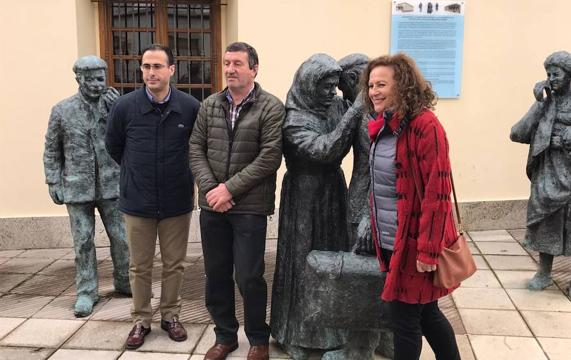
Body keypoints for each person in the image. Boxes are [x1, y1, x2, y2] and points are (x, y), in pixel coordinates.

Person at [189, 42, 284, 360]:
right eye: (226, 62)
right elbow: (195, 149)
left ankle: (258, 339)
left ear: (254, 69)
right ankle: (225, 336)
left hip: (250, 208)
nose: (229, 68)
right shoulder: (210, 105)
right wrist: (211, 189)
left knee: (249, 275)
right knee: (216, 274)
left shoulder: (270, 107)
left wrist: (228, 190)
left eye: (237, 63)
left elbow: (269, 156)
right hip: (212, 206)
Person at [363, 53, 460, 360]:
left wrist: (429, 250)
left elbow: (438, 192)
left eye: (381, 84)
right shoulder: (387, 125)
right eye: (370, 85)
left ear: (402, 85)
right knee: (427, 312)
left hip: (415, 242)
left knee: (403, 320)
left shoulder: (424, 126)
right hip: (392, 239)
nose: (374, 91)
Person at [105, 44, 200, 349]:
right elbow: (114, 147)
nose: (151, 73)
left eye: (157, 66)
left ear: (172, 70)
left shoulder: (189, 107)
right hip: (137, 200)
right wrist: (136, 172)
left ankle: (171, 315)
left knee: (175, 264)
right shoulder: (124, 106)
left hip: (176, 199)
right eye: (146, 67)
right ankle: (141, 319)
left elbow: (197, 149)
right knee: (139, 265)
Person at [270, 54, 362, 359]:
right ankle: (295, 332)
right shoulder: (294, 119)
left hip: (333, 190)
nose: (332, 92)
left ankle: (334, 329)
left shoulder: (337, 106)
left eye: (335, 86)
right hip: (304, 196)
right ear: (310, 84)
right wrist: (356, 110)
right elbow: (324, 149)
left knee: (334, 259)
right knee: (303, 261)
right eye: (326, 86)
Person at [43, 55, 130, 318]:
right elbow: (51, 149)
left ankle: (125, 280)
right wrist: (53, 181)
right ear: (79, 79)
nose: (96, 84)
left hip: (111, 184)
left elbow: (130, 139)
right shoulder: (62, 110)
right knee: (82, 241)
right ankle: (86, 291)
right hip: (77, 186)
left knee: (122, 237)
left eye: (100, 79)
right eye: (90, 79)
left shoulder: (115, 106)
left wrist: (117, 111)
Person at [510, 50, 571, 296]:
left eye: (556, 74)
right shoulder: (547, 102)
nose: (551, 78)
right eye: (548, 74)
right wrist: (539, 102)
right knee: (547, 220)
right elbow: (518, 133)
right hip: (548, 171)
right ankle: (544, 273)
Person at [338, 53, 375, 255]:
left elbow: (380, 170)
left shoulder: (366, 115)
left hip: (364, 207)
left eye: (343, 88)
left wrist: (368, 217)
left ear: (353, 78)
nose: (344, 96)